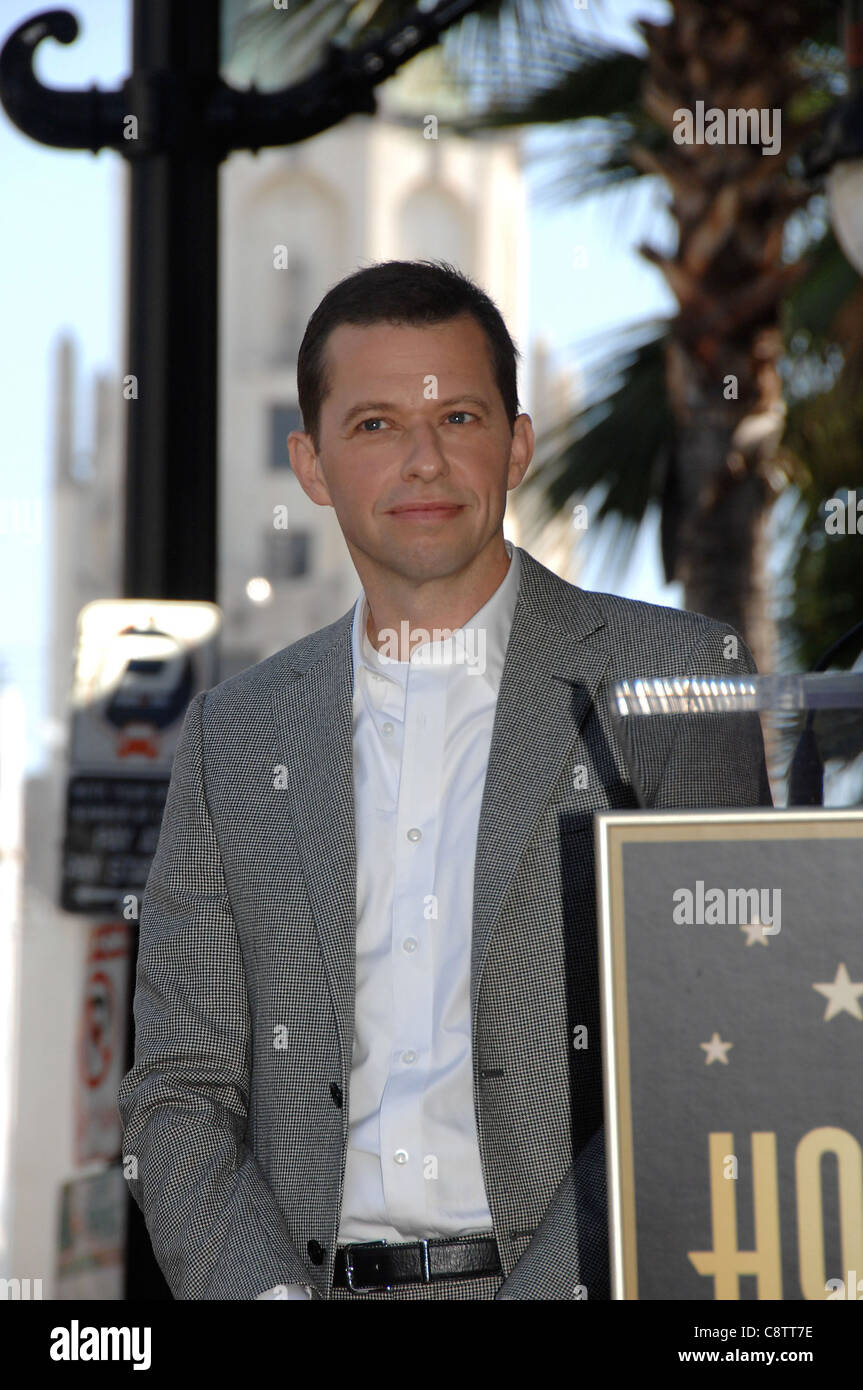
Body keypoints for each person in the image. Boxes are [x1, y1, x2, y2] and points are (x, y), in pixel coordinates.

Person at [118, 259, 772, 1300]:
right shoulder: (231, 736)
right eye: (374, 424)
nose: (422, 461)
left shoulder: (673, 682)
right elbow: (177, 1093)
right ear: (312, 461)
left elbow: (707, 1050)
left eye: (458, 416)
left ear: (514, 445)